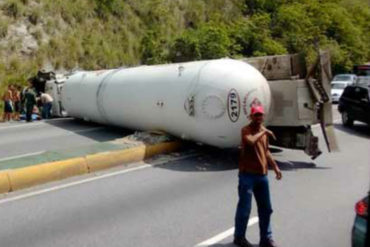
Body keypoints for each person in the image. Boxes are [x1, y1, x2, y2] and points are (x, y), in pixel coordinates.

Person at [234, 105, 282, 247]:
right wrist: (264, 131)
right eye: (256, 115)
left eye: (260, 115)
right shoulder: (246, 130)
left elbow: (266, 151)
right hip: (247, 175)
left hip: (262, 176)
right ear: (251, 117)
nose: (259, 118)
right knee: (245, 208)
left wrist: (275, 167)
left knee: (266, 209)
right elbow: (251, 141)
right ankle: (239, 237)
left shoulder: (263, 133)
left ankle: (266, 239)